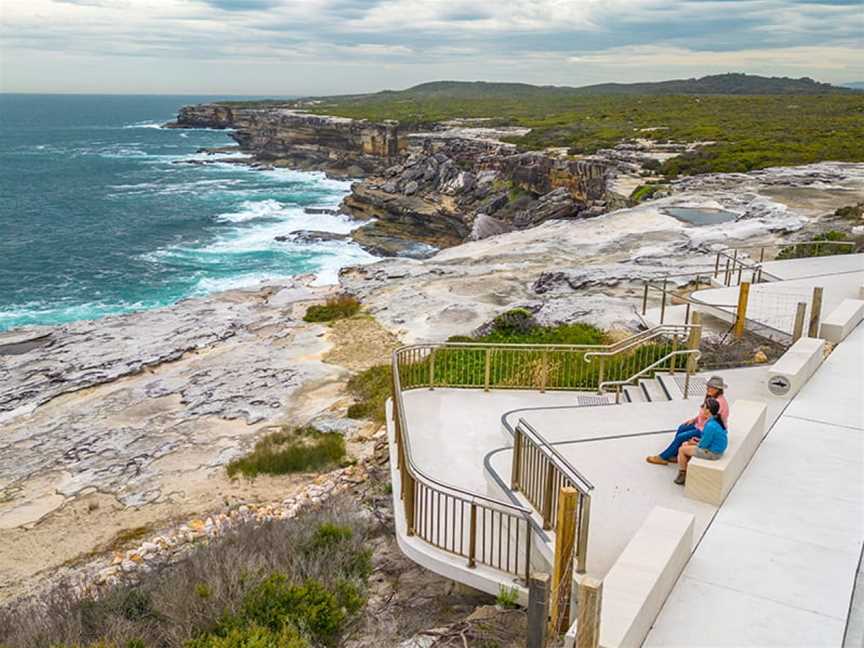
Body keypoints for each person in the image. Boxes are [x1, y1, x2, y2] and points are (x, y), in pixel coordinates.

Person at [645, 375, 729, 466]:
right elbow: (704, 414)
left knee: (681, 437)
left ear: (717, 389)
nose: (707, 389)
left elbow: (710, 420)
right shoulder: (712, 398)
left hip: (705, 429)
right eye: (708, 386)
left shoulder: (719, 403)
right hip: (700, 425)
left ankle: (662, 457)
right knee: (682, 427)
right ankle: (675, 454)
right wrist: (694, 420)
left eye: (711, 387)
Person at [674, 397, 728, 485]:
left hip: (713, 453)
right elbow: (708, 439)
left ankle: (682, 474)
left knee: (682, 449)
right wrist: (697, 441)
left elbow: (703, 445)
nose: (702, 409)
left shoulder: (710, 425)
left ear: (708, 411)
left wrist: (693, 442)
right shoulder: (715, 420)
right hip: (715, 448)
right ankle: (685, 467)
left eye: (704, 407)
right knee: (685, 444)